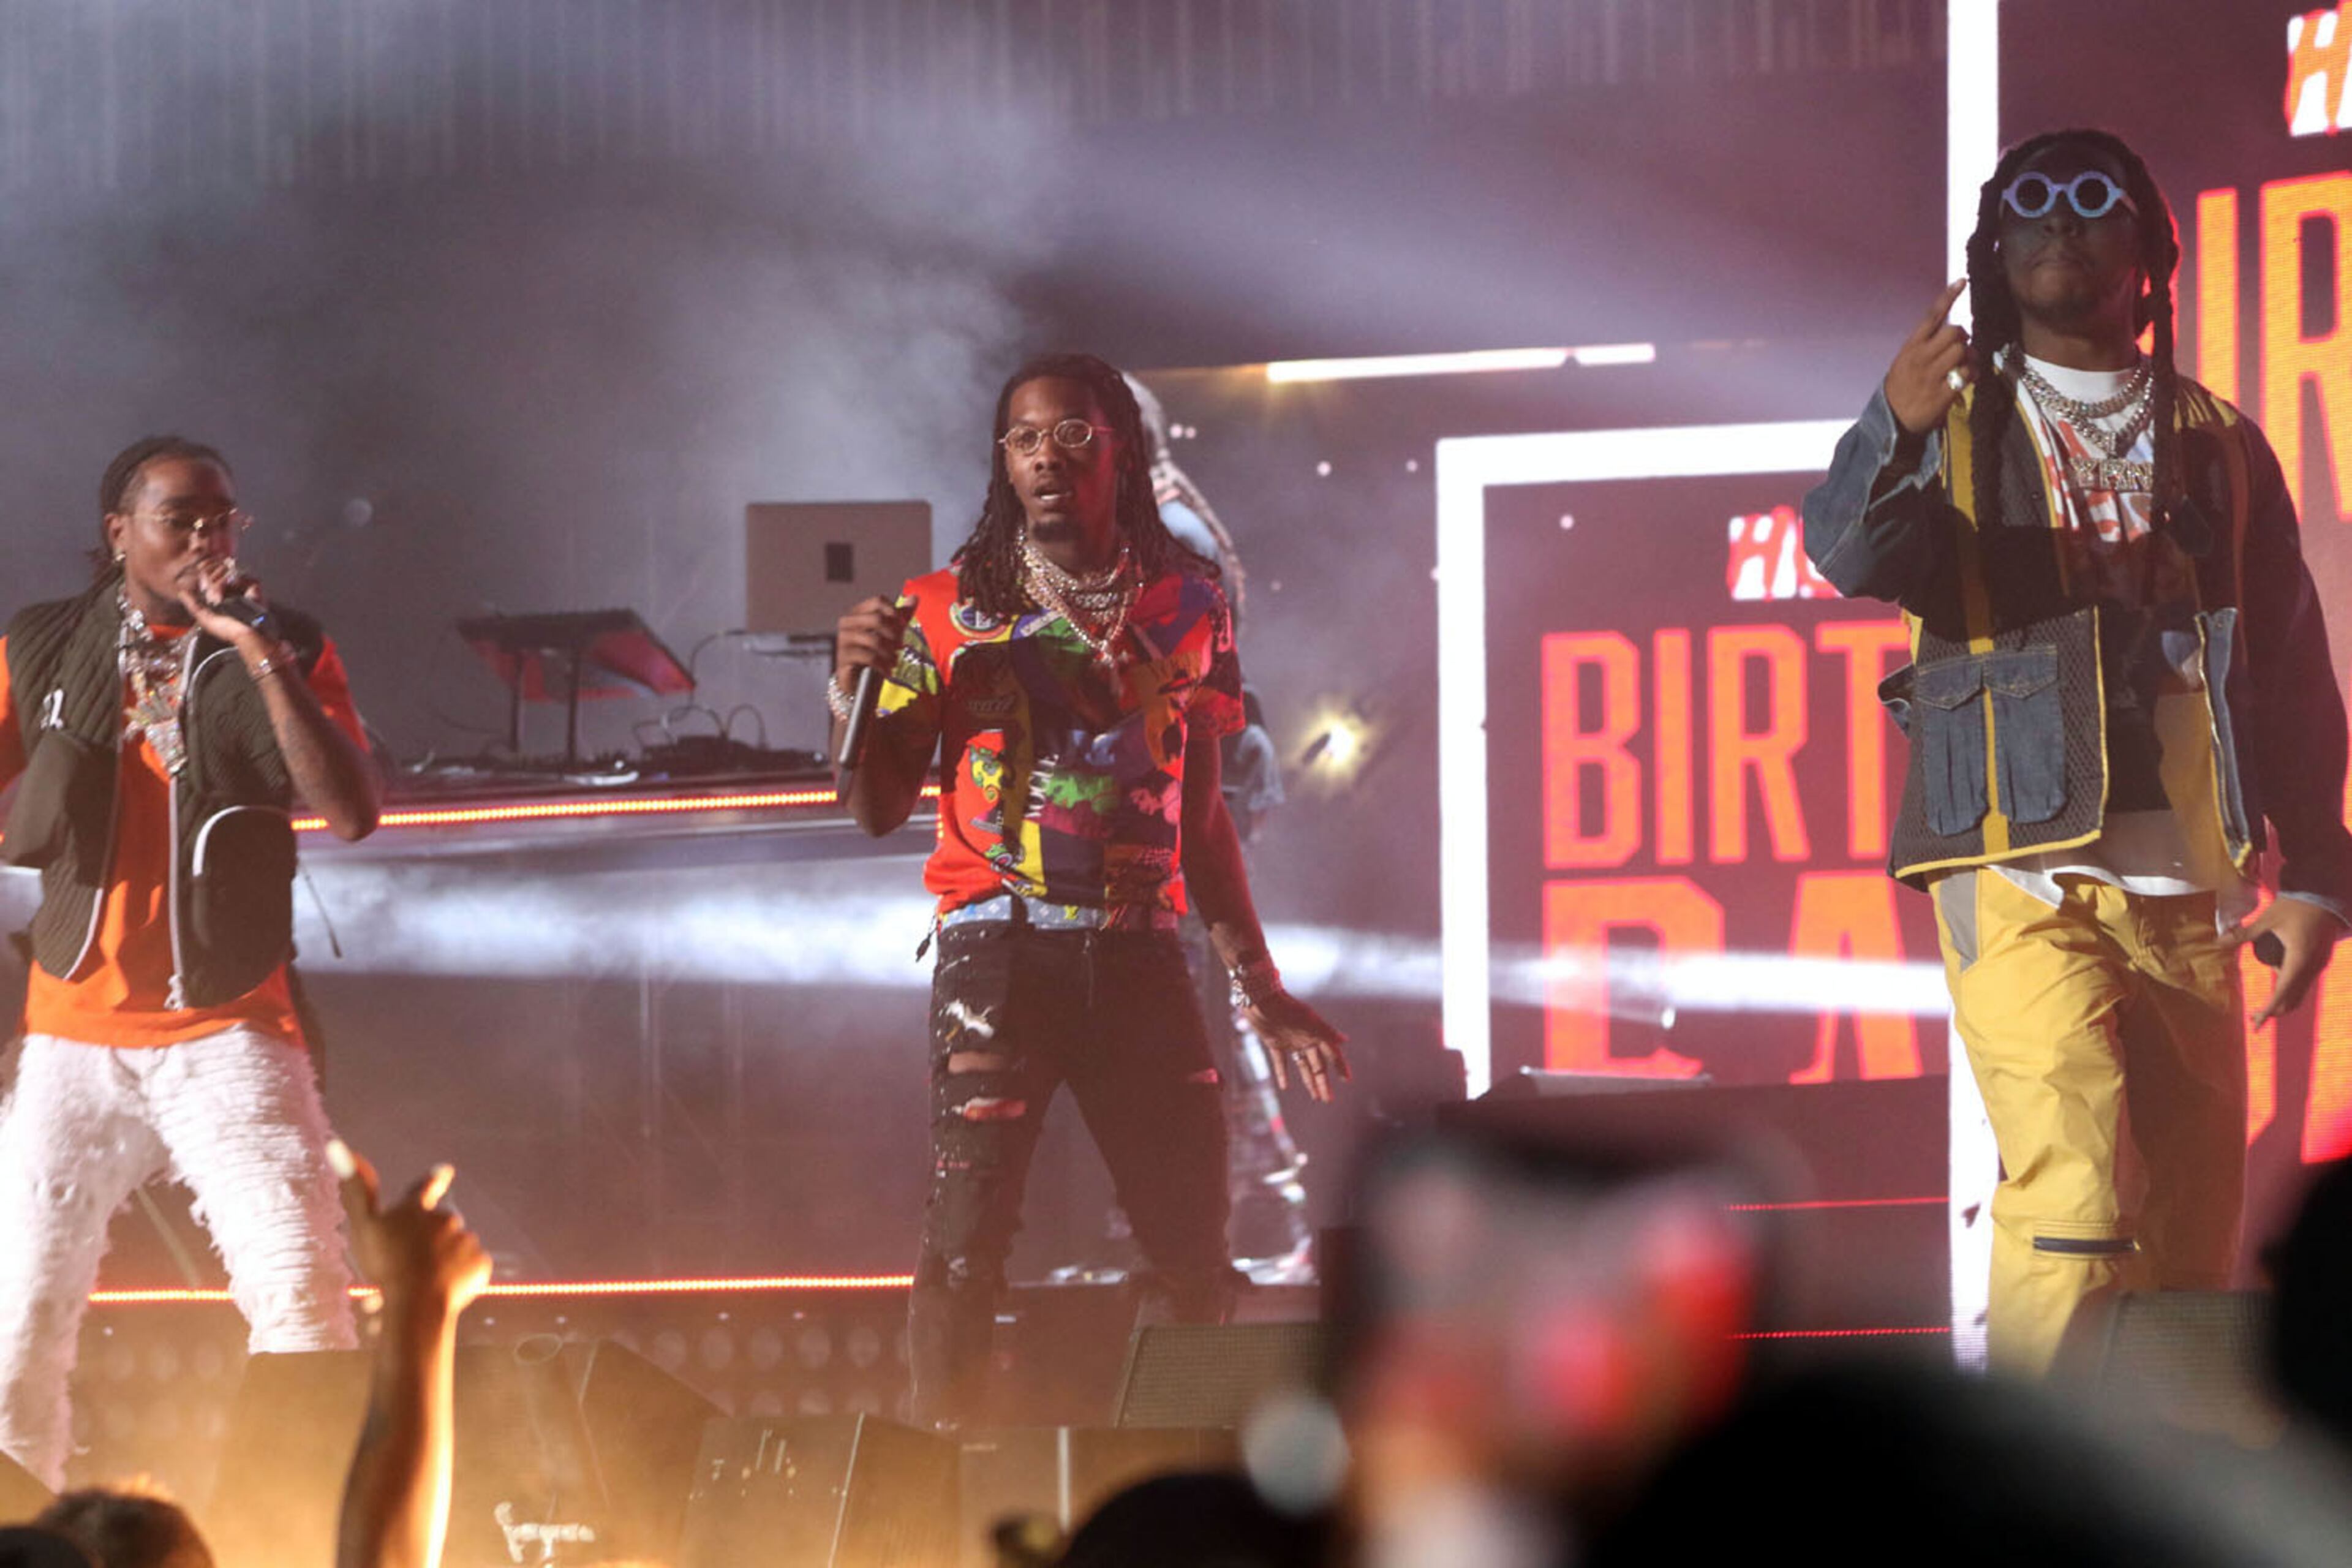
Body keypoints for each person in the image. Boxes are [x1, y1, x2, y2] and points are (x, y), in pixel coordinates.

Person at [1801, 130, 2351, 1374]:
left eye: (2093, 200)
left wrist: (2318, 870)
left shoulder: (2218, 437)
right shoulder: (1952, 418)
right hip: (2013, 857)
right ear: (1994, 251)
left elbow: (2294, 667)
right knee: (2077, 1191)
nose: (2059, 221)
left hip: (2189, 884)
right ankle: (2021, 1498)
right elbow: (1846, 552)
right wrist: (1891, 422)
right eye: (2029, 205)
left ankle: (2167, 1503)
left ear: (2154, 257)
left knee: (2190, 1229)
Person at [832, 352, 1351, 1429]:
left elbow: (1201, 820)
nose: (1047, 456)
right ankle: (935, 1512)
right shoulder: (942, 609)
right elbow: (876, 807)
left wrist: (1259, 984)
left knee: (1191, 1248)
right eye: (1024, 438)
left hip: (1142, 952)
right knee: (967, 1236)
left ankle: (1175, 1505)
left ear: (1122, 448)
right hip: (998, 959)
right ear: (1002, 463)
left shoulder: (1191, 608)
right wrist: (850, 688)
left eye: (1073, 433)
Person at [0, 437, 383, 1486]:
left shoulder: (287, 642)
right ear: (120, 532)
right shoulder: (40, 643)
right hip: (70, 1036)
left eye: (223, 517)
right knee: (12, 1342)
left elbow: (351, 811)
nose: (207, 539)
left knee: (304, 1304)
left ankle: (297, 1543)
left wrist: (257, 649)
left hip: (228, 1028)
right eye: (181, 519)